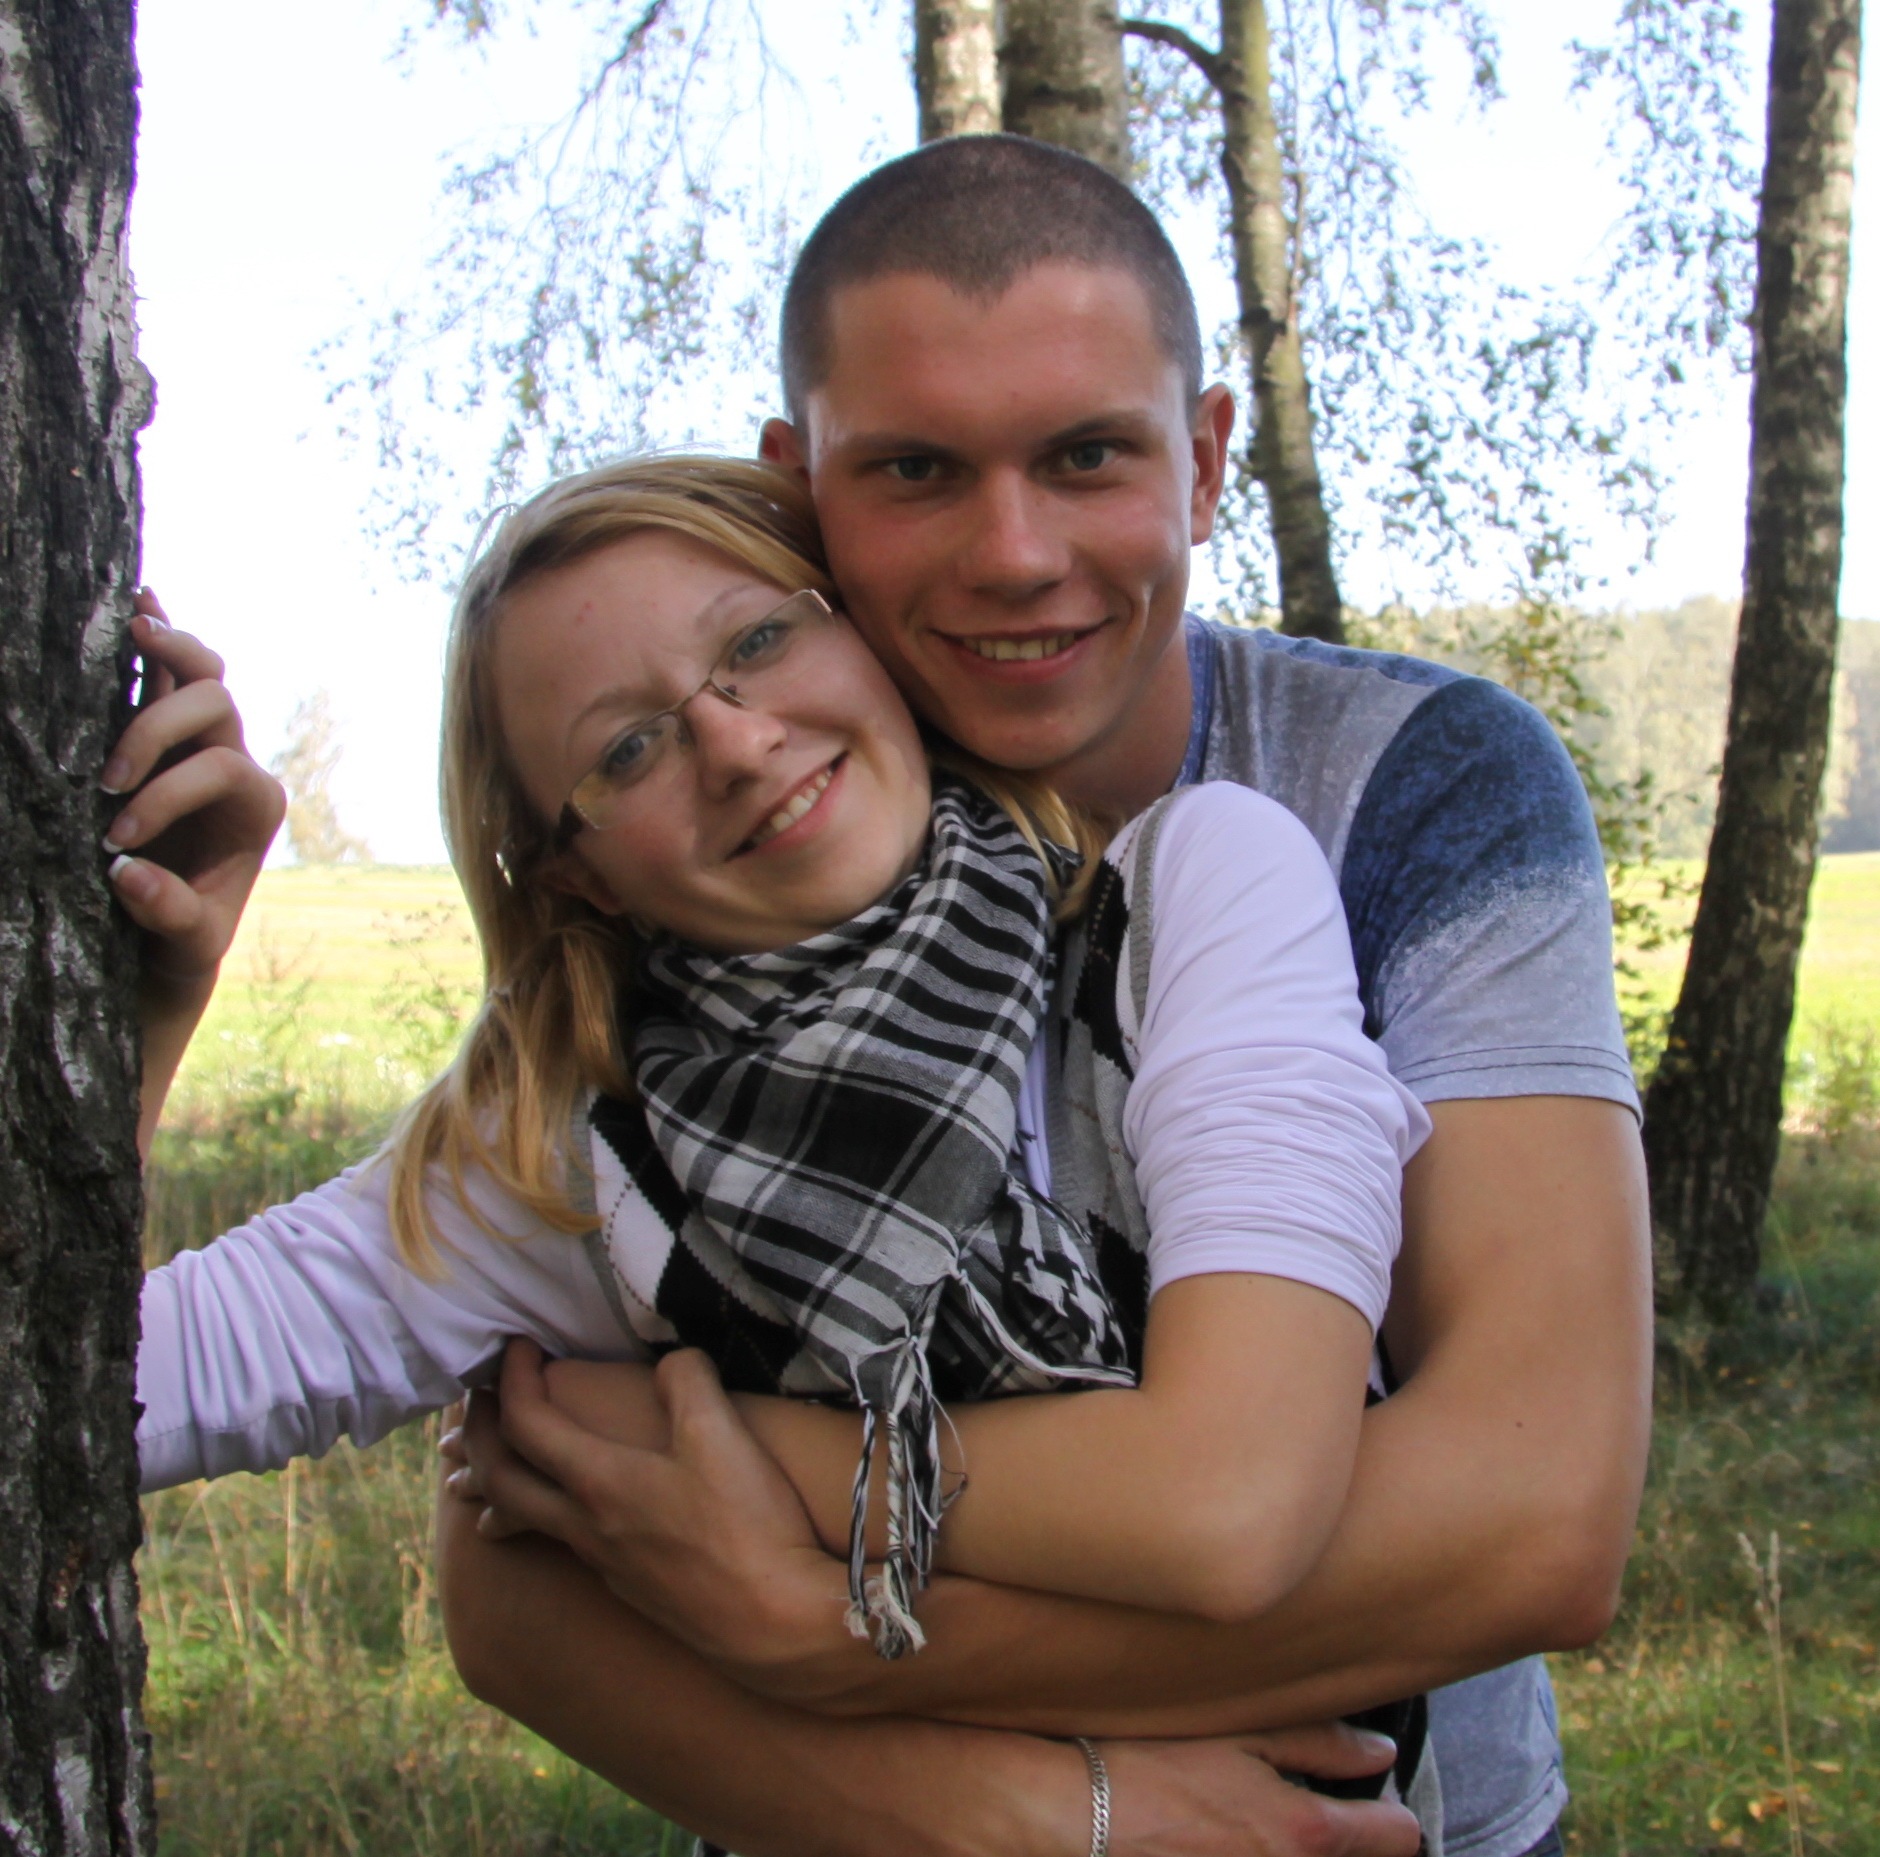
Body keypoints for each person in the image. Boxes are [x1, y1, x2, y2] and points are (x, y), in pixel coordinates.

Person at [428, 134, 1652, 1857]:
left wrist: (836, 1628)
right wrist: (1033, 1810)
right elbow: (511, 1568)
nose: (1013, 553)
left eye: (1087, 455)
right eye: (916, 470)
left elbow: (1533, 1515)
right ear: (801, 486)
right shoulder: (731, 817)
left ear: (1204, 457)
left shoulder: (1421, 787)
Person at [124, 457, 1437, 1851]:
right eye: (626, 751)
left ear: (853, 628)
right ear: (575, 871)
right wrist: (140, 1020)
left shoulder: (1191, 903)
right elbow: (103, 1392)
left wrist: (679, 1460)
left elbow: (1231, 1507)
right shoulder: (572, 1163)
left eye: (757, 640)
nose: (739, 745)